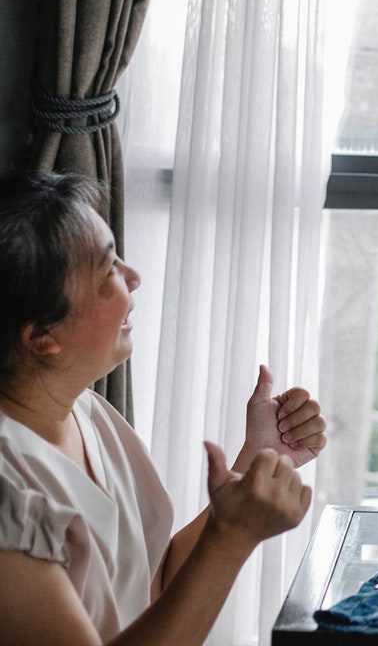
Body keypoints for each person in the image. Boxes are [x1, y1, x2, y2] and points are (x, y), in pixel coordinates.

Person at [0, 172, 327, 645]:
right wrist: (232, 537)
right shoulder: (8, 497)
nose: (133, 277)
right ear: (41, 336)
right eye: (107, 268)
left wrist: (258, 459)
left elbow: (153, 586)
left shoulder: (91, 416)